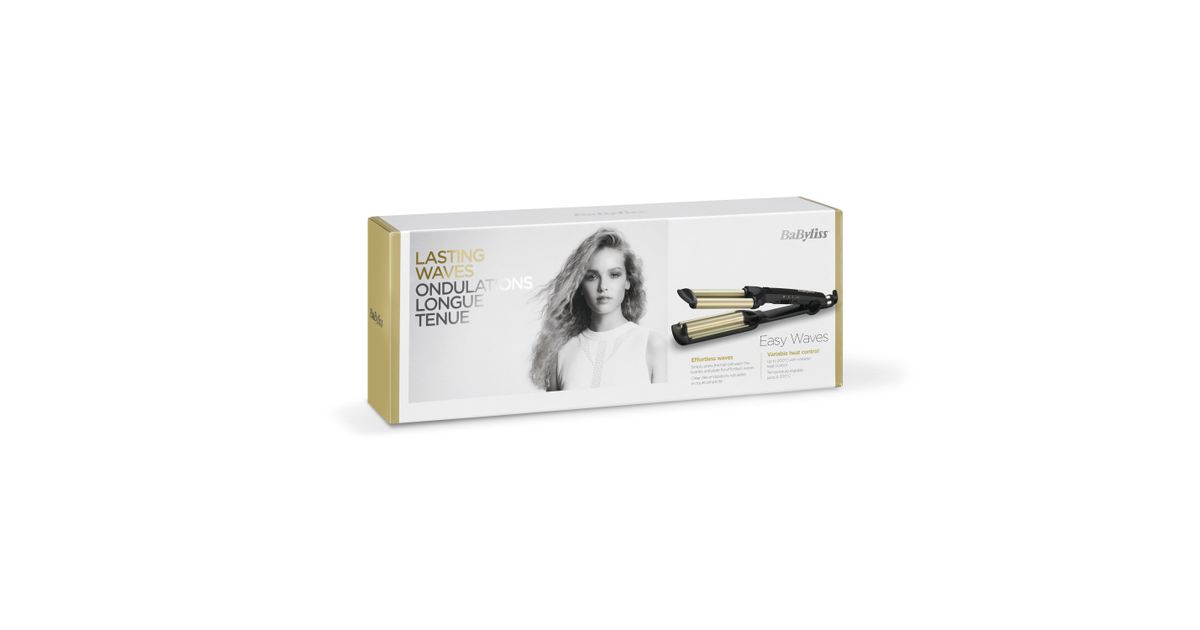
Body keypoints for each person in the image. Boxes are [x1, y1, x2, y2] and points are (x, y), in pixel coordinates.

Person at [530, 228, 667, 391]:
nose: (603, 286)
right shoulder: (561, 353)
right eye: (592, 277)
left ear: (628, 281)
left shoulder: (652, 344)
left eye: (614, 275)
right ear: (580, 285)